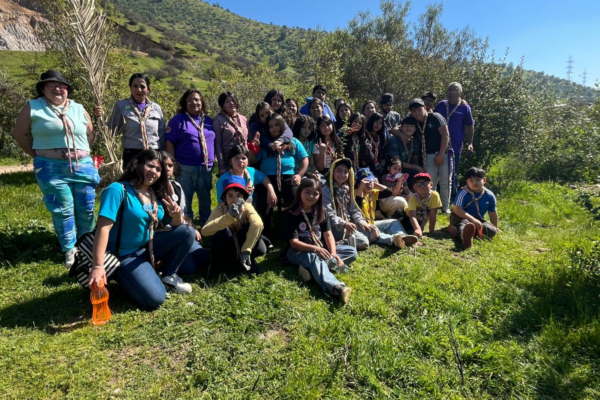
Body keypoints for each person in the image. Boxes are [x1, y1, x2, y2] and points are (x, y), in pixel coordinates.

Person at [11, 70, 100, 267]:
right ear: (43, 88)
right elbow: (19, 134)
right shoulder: (33, 107)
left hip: (82, 166)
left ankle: (87, 246)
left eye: (62, 86)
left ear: (67, 90)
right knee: (63, 208)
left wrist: (82, 151)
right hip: (51, 167)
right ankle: (70, 250)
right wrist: (39, 155)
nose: (58, 89)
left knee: (86, 208)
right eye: (51, 85)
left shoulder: (78, 107)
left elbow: (90, 134)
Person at [90, 150, 196, 310]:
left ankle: (168, 276)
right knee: (155, 299)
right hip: (123, 256)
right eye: (150, 166)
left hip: (148, 248)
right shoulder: (117, 190)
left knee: (187, 232)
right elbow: (102, 229)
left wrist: (176, 215)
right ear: (136, 164)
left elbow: (175, 225)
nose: (154, 171)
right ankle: (131, 279)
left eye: (158, 169)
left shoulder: (155, 193)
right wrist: (98, 266)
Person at [284, 178, 355, 304]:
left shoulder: (321, 211)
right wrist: (315, 249)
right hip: (299, 251)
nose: (311, 196)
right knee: (313, 258)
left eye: (315, 193)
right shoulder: (292, 213)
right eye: (307, 192)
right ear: (300, 191)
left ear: (320, 195)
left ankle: (310, 270)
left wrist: (333, 253)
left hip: (320, 248)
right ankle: (336, 288)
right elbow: (293, 243)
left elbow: (328, 234)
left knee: (351, 252)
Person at [165, 89, 215, 225]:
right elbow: (169, 141)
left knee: (206, 200)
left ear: (202, 102)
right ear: (185, 103)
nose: (194, 102)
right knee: (184, 201)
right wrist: (172, 164)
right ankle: (188, 228)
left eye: (197, 99)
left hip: (206, 168)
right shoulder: (178, 120)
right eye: (190, 100)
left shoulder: (209, 120)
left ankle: (207, 229)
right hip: (185, 168)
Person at [252, 114, 309, 233]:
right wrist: (254, 148)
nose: (274, 128)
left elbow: (304, 159)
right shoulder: (265, 144)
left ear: (283, 126)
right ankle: (265, 233)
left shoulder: (293, 142)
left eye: (277, 125)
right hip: (267, 179)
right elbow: (252, 160)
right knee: (263, 204)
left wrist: (299, 175)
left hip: (289, 177)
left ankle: (294, 230)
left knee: (295, 199)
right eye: (271, 126)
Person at [201, 175, 266, 276]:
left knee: (262, 248)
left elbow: (258, 223)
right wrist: (228, 217)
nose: (235, 199)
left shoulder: (247, 207)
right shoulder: (220, 209)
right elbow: (205, 231)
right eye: (230, 195)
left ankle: (248, 259)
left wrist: (246, 250)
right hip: (226, 244)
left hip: (243, 243)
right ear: (224, 198)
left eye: (239, 195)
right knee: (220, 229)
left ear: (244, 197)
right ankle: (218, 263)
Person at [161, 152, 211, 275]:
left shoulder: (177, 186)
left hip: (182, 229)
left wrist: (192, 227)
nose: (167, 169)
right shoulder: (153, 190)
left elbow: (185, 213)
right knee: (189, 269)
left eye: (170, 165)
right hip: (165, 234)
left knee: (204, 259)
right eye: (163, 166)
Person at [102, 73, 166, 168]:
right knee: (132, 182)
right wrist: (101, 117)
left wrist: (162, 155)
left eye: (142, 86)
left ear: (148, 89)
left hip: (153, 154)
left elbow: (162, 133)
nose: (139, 89)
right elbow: (112, 129)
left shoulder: (156, 108)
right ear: (130, 88)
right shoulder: (121, 105)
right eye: (135, 86)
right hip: (131, 155)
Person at [354, 168, 418, 248]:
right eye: (366, 183)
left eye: (370, 182)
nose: (369, 185)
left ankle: (402, 237)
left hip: (371, 223)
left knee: (394, 222)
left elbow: (388, 192)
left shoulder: (372, 192)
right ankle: (393, 240)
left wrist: (375, 184)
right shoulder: (355, 193)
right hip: (361, 226)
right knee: (374, 231)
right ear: (359, 184)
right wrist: (361, 188)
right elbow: (357, 207)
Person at [408, 98, 451, 213]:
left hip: (444, 152)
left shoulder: (435, 117)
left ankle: (445, 207)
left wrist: (441, 154)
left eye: (418, 109)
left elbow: (445, 135)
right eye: (413, 111)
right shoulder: (413, 120)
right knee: (429, 182)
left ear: (425, 108)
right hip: (427, 154)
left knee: (445, 181)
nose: (416, 113)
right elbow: (397, 128)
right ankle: (433, 206)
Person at [434, 83, 475, 198]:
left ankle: (452, 199)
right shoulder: (442, 104)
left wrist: (470, 143)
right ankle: (435, 198)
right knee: (435, 172)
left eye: (454, 90)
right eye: (449, 89)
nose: (451, 92)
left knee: (452, 174)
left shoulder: (464, 108)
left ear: (460, 93)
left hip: (454, 146)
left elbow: (470, 126)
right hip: (437, 144)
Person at [322, 158, 370, 250]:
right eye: (339, 171)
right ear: (332, 171)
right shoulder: (326, 190)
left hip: (348, 224)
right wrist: (344, 223)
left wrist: (361, 222)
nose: (342, 175)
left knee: (371, 231)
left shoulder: (346, 188)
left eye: (345, 172)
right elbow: (328, 215)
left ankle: (392, 239)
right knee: (364, 240)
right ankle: (337, 244)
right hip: (335, 227)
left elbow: (353, 209)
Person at [449, 167, 498, 248]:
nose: (474, 182)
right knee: (464, 225)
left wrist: (495, 227)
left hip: (479, 219)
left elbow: (492, 212)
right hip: (460, 217)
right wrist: (473, 220)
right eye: (471, 180)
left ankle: (455, 230)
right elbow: (457, 209)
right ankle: (465, 239)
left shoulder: (489, 195)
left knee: (491, 230)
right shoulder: (463, 193)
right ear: (467, 182)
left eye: (478, 179)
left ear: (484, 180)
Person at [214, 92, 248, 177]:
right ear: (222, 106)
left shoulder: (243, 119)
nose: (231, 103)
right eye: (227, 101)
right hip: (228, 162)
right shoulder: (218, 120)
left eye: (233, 100)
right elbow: (218, 145)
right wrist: (221, 167)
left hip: (243, 160)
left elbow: (246, 141)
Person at [386, 116, 425, 186]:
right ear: (401, 127)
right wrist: (417, 168)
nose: (409, 128)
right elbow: (396, 163)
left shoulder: (415, 141)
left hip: (410, 169)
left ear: (415, 129)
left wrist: (418, 169)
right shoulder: (394, 140)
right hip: (396, 169)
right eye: (406, 126)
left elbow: (415, 159)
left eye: (411, 126)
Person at [404, 172, 442, 238]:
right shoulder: (413, 198)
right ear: (415, 187)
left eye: (425, 183)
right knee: (405, 229)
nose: (422, 186)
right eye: (418, 184)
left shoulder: (435, 195)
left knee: (415, 230)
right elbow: (412, 216)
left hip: (421, 219)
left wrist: (431, 230)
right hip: (407, 216)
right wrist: (417, 229)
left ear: (431, 185)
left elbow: (433, 214)